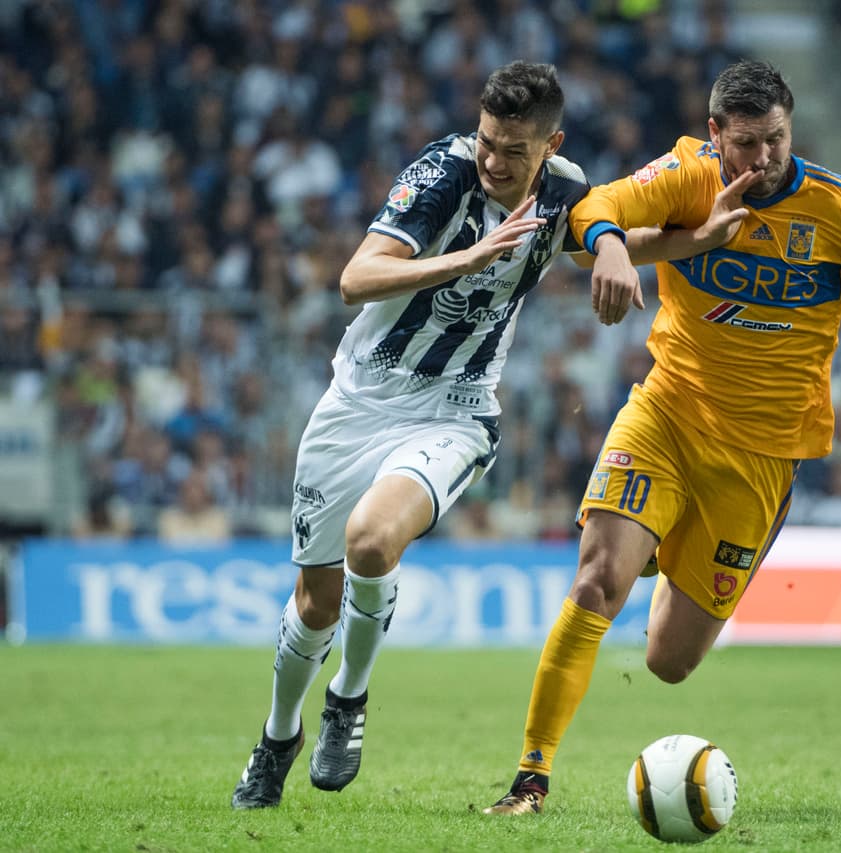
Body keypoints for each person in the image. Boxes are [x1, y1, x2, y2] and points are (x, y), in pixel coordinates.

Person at [483, 59, 841, 815]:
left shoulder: (840, 209)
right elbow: (597, 203)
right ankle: (530, 779)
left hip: (761, 457)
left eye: (777, 139)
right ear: (714, 134)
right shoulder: (687, 174)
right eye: (747, 143)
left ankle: (664, 537)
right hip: (667, 414)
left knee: (668, 661)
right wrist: (614, 247)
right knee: (597, 581)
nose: (763, 158)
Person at [230, 60, 754, 810]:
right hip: (358, 400)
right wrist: (467, 258)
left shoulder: (566, 190)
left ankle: (348, 696)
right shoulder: (441, 175)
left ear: (550, 146)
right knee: (315, 601)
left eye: (514, 150)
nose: (494, 161)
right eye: (486, 141)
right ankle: (278, 736)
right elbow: (355, 278)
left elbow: (610, 241)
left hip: (456, 410)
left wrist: (700, 236)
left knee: (371, 543)